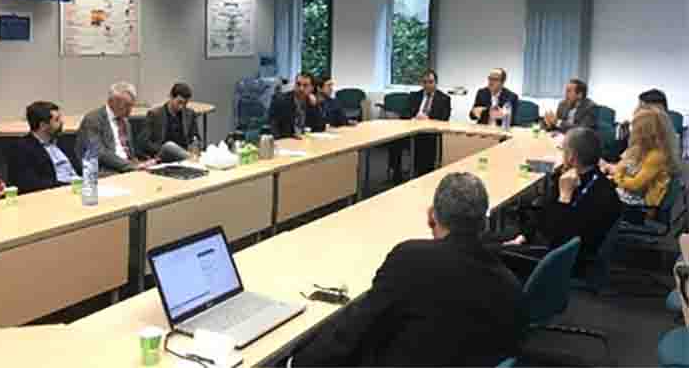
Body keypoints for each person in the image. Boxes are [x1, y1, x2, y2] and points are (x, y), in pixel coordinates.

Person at [291, 173, 524, 367]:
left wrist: (296, 362)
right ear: (484, 222)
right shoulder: (508, 282)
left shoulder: (410, 259)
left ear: (432, 215)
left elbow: (357, 329)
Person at [499, 127, 622, 277]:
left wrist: (565, 197)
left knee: (489, 252)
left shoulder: (601, 194)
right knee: (491, 242)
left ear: (571, 157)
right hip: (546, 243)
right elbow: (543, 212)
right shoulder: (570, 177)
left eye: (563, 150)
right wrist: (523, 236)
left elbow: (560, 240)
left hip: (562, 260)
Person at [601, 107, 681, 222]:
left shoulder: (657, 155)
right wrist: (617, 172)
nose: (633, 130)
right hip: (629, 196)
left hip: (640, 207)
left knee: (594, 197)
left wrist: (617, 175)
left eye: (635, 127)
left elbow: (635, 185)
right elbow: (622, 167)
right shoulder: (641, 148)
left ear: (645, 131)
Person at [75, 82, 157, 174]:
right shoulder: (92, 120)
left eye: (131, 105)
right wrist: (131, 166)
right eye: (126, 105)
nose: (130, 111)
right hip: (104, 169)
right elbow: (101, 154)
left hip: (127, 168)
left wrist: (142, 164)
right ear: (112, 102)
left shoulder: (125, 122)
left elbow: (129, 154)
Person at [389, 69, 452, 183]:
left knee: (424, 145)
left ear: (436, 83)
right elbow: (404, 113)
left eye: (430, 82)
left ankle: (422, 174)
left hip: (430, 134)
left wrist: (428, 120)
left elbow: (444, 119)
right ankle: (396, 172)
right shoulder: (414, 96)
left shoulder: (444, 99)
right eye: (425, 82)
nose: (428, 85)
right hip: (412, 130)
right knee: (394, 140)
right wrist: (414, 117)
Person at [7, 101, 80, 195]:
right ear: (43, 126)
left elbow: (78, 168)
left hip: (79, 188)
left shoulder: (62, 142)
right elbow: (31, 184)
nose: (62, 122)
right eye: (57, 120)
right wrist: (66, 186)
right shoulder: (21, 148)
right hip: (57, 194)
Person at [139, 82, 201, 163]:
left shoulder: (190, 114)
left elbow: (196, 137)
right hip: (163, 154)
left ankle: (190, 159)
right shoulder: (155, 114)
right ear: (171, 97)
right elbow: (144, 142)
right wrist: (159, 150)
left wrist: (195, 145)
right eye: (179, 102)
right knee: (169, 146)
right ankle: (192, 160)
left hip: (183, 153)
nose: (181, 107)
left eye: (185, 104)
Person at [268, 73, 324, 139]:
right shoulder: (280, 101)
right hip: (287, 142)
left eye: (305, 85)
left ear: (312, 88)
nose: (301, 88)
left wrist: (315, 106)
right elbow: (274, 128)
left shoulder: (312, 102)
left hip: (306, 142)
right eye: (298, 84)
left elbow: (320, 127)